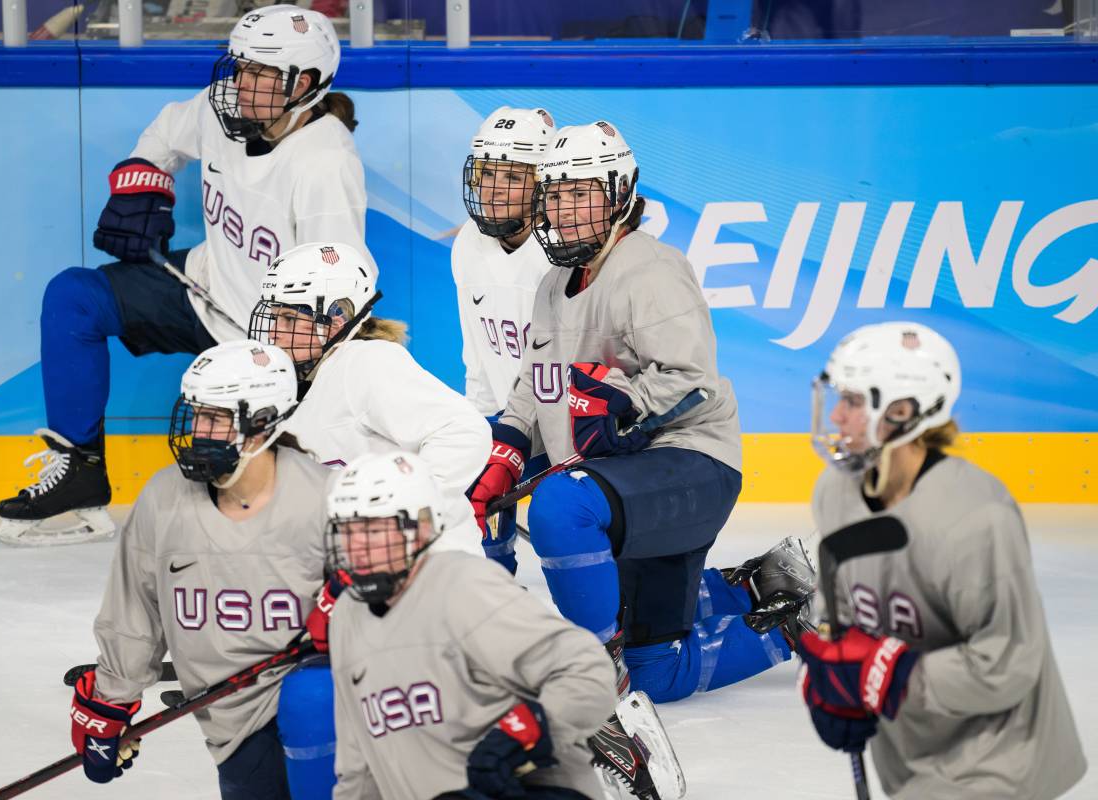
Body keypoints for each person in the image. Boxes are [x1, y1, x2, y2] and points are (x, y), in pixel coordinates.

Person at [466, 121, 807, 796]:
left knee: (562, 505)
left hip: (688, 466)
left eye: (583, 194)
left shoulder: (648, 267)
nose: (566, 210)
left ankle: (594, 681)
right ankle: (777, 607)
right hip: (626, 487)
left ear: (621, 194)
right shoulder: (551, 285)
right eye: (556, 196)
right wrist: (507, 451)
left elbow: (691, 380)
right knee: (658, 670)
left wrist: (615, 400)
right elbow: (534, 394)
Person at [0, 5, 369, 546]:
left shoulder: (325, 163)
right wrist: (145, 184)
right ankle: (79, 471)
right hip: (202, 288)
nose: (243, 83)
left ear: (304, 84)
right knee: (74, 297)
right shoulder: (223, 110)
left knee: (251, 499)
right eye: (240, 66)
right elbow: (166, 132)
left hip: (268, 339)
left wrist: (300, 374)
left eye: (262, 73)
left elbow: (342, 283)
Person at [797, 321, 1087, 799]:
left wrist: (894, 676)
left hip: (1000, 756)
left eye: (852, 401)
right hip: (911, 752)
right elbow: (843, 620)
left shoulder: (975, 517)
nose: (837, 416)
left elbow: (1009, 660)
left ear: (902, 411)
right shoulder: (836, 493)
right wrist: (832, 680)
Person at [68, 339, 330, 800]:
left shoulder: (326, 497)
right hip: (231, 718)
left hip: (325, 710)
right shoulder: (164, 499)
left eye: (216, 418)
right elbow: (136, 612)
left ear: (264, 422)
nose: (198, 431)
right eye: (196, 415)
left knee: (313, 697)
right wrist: (110, 700)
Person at [323, 449, 617, 800]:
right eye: (347, 531)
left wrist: (517, 735)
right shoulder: (347, 617)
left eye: (375, 530)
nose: (358, 547)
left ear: (421, 528)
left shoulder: (464, 586)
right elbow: (358, 765)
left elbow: (586, 672)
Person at [248, 241, 490, 560]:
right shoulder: (293, 381)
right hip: (365, 570)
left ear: (337, 318)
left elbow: (464, 431)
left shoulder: (368, 363)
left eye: (289, 320)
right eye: (275, 317)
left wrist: (403, 511)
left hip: (431, 568)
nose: (275, 333)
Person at [453, 105, 559, 572]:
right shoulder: (467, 244)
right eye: (487, 174)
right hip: (507, 424)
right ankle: (493, 578)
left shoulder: (561, 253)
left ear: (542, 184)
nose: (494, 189)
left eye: (513, 177)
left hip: (563, 428)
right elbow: (478, 354)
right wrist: (478, 433)